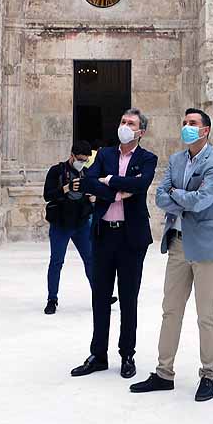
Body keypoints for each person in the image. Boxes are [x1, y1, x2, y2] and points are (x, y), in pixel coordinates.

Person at [131, 108, 213, 402]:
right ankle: (164, 373)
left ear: (205, 130)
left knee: (206, 315)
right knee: (170, 310)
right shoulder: (175, 160)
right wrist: (178, 195)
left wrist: (176, 194)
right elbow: (160, 196)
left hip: (207, 247)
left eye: (193, 123)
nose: (187, 126)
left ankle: (208, 375)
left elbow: (203, 202)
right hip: (177, 244)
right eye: (184, 122)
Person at [71, 108, 156, 380]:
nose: (124, 126)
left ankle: (127, 354)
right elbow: (87, 182)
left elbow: (141, 185)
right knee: (100, 297)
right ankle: (98, 354)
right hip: (103, 234)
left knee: (129, 298)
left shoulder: (148, 158)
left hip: (131, 238)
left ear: (140, 132)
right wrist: (119, 192)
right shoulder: (105, 154)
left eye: (130, 123)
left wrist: (109, 181)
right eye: (122, 121)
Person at [43, 140, 96, 315]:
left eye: (85, 160)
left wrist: (92, 198)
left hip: (81, 223)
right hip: (61, 224)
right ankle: (52, 299)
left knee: (91, 260)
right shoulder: (56, 171)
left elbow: (93, 198)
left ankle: (99, 294)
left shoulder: (87, 174)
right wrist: (64, 189)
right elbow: (47, 196)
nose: (82, 162)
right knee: (57, 261)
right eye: (80, 159)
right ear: (72, 156)